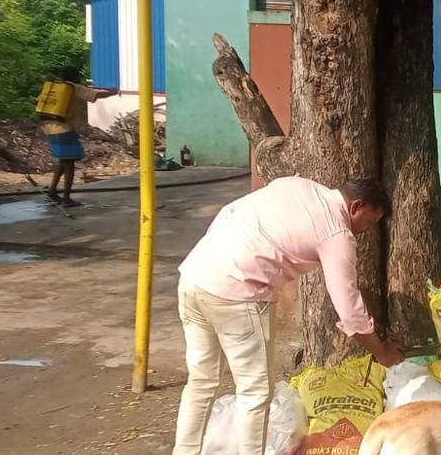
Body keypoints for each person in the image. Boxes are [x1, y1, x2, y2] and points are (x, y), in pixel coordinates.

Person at [173, 176, 404, 455]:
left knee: (201, 383)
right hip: (239, 293)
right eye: (370, 221)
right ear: (356, 206)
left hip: (195, 276)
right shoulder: (337, 233)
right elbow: (348, 307)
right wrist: (381, 352)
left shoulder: (298, 186)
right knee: (254, 393)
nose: (367, 230)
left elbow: (231, 211)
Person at [39, 68, 113, 207]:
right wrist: (113, 92)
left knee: (63, 161)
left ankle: (52, 192)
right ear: (76, 77)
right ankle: (66, 199)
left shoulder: (57, 88)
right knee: (69, 164)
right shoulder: (74, 87)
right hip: (65, 129)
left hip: (49, 127)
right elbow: (96, 95)